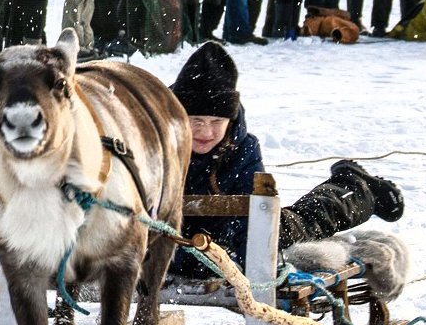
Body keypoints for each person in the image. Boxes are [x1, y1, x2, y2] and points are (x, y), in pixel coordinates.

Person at [168, 42, 405, 279]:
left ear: (230, 120)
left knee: (308, 223)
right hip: (182, 238)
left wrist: (235, 264)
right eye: (196, 120)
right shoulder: (161, 145)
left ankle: (356, 187)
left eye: (216, 122)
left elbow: (250, 229)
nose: (206, 132)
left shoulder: (244, 149)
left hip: (235, 235)